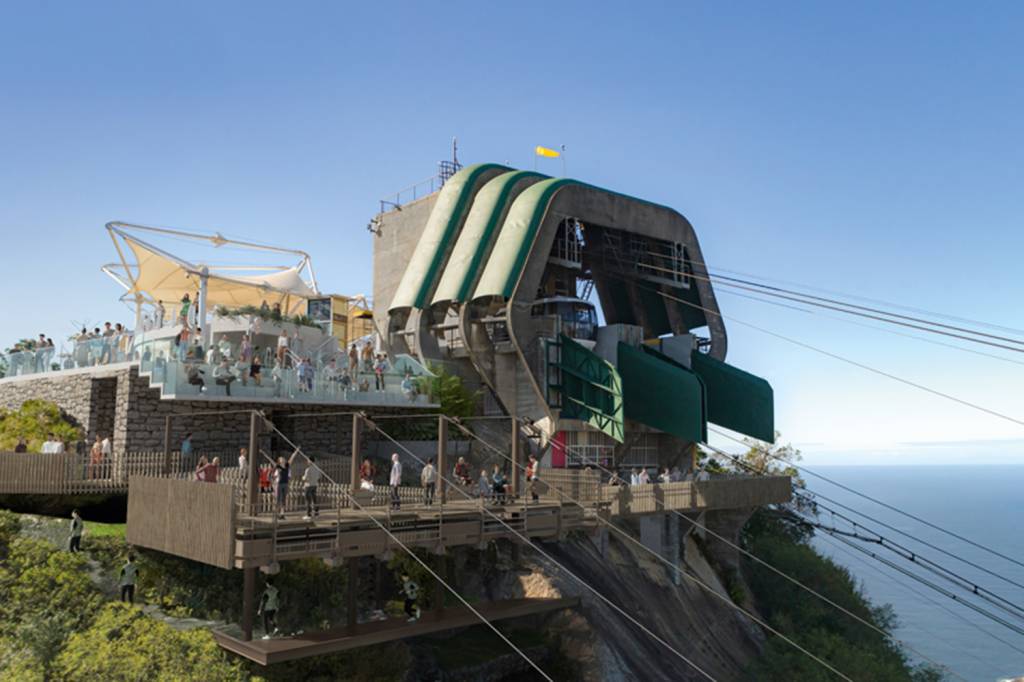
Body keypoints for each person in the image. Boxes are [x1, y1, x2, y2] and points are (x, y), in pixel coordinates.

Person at [274, 450, 300, 520]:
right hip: (279, 484)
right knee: (278, 499)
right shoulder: (278, 467)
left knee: (283, 499)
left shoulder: (287, 465)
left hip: (285, 484)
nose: (283, 459)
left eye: (283, 458)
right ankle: (277, 513)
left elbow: (292, 458)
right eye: (281, 459)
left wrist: (296, 452)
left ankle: (282, 514)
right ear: (279, 461)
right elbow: (274, 474)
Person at [302, 455, 322, 520]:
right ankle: (316, 512)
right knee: (314, 499)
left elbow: (305, 478)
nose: (307, 461)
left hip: (308, 485)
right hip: (315, 485)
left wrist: (302, 478)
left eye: (308, 460)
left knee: (308, 500)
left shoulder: (308, 469)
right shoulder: (317, 469)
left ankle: (308, 514)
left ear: (310, 461)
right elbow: (319, 477)